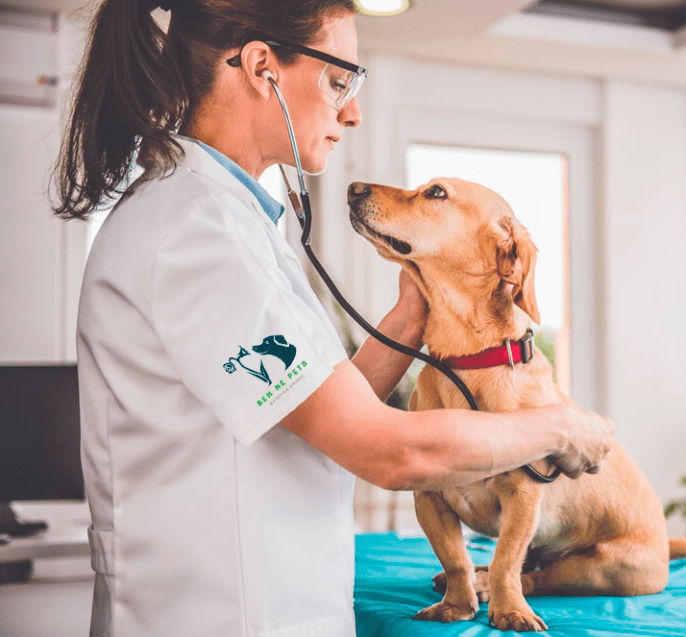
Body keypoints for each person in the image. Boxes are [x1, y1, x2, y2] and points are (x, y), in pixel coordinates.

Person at [53, 1, 614, 636]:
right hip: (219, 615)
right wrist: (559, 426)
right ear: (263, 66)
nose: (352, 111)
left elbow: (315, 413)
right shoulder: (196, 234)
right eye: (338, 80)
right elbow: (386, 452)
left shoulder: (229, 223)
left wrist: (410, 317)